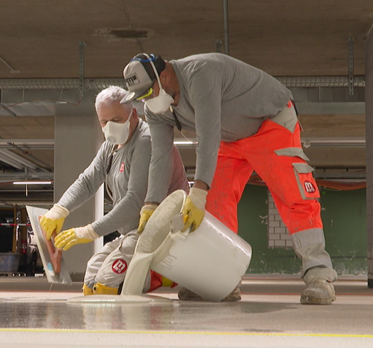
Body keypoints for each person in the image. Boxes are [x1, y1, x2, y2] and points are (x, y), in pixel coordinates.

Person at [120, 53, 338, 305]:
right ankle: (224, 281)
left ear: (165, 75)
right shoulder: (157, 109)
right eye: (141, 98)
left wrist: (197, 191)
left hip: (270, 122)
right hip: (231, 137)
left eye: (148, 92)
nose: (147, 101)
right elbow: (160, 157)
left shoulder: (201, 72)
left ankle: (319, 276)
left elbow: (208, 133)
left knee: (294, 195)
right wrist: (151, 204)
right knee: (215, 204)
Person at [39, 86, 188, 295]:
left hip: (159, 233)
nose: (109, 127)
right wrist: (60, 209)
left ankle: (161, 274)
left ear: (133, 114)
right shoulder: (110, 146)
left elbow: (134, 201)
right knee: (90, 282)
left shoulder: (146, 141)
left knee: (105, 285)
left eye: (116, 120)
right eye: (104, 122)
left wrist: (88, 231)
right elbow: (88, 181)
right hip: (132, 233)